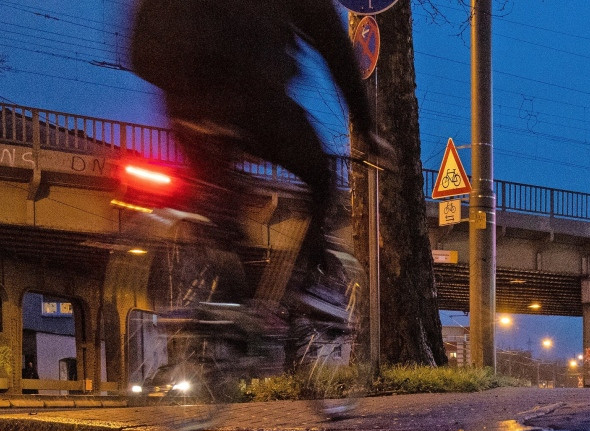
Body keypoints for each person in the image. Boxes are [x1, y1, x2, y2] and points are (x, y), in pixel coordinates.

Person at [128, 0, 392, 317]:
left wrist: (184, 81)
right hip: (257, 105)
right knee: (322, 180)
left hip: (186, 109)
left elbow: (138, 52)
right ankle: (306, 286)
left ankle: (225, 297)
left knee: (218, 197)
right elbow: (335, 48)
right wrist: (365, 126)